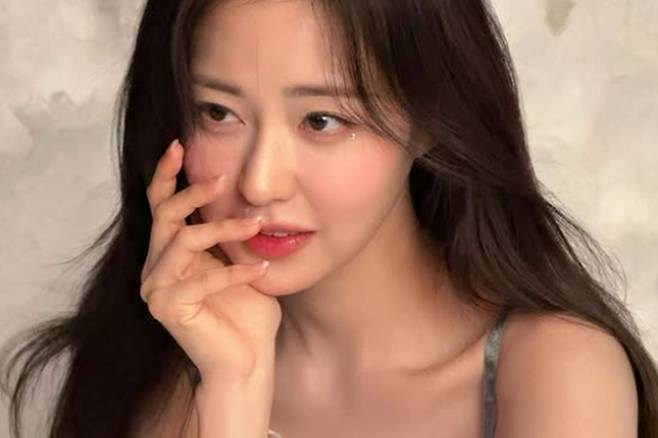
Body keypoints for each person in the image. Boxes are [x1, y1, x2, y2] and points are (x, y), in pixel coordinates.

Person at [1, 0, 656, 437]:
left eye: (321, 120)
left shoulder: (557, 372)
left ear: (431, 117)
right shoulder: (169, 376)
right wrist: (235, 394)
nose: (261, 182)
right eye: (218, 113)